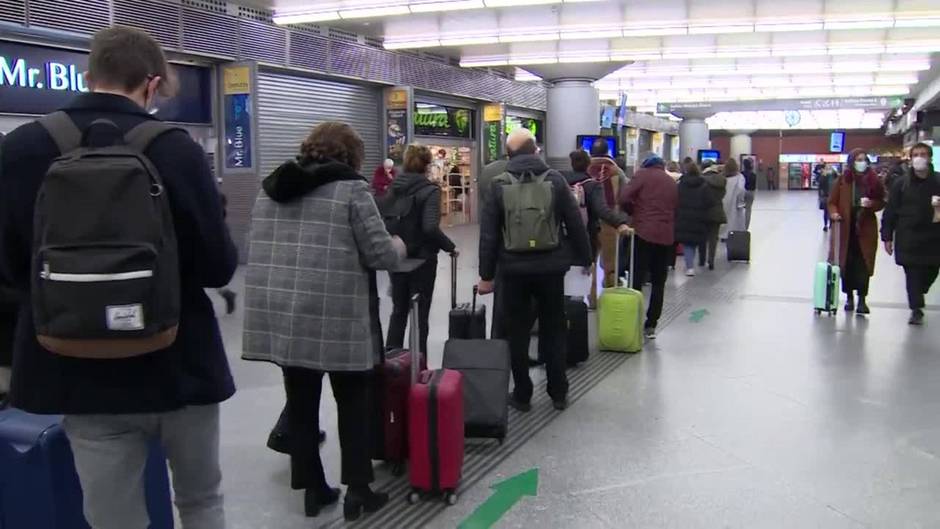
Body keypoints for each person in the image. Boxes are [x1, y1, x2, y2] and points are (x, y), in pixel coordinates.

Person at [0, 27, 237, 529]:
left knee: (111, 516)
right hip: (179, 363)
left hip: (75, 367)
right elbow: (217, 264)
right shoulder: (176, 150)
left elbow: (8, 267)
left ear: (89, 76)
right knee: (200, 500)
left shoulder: (21, 148)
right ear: (152, 85)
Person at [243, 122, 403, 521]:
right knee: (353, 403)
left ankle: (312, 490)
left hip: (285, 315)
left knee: (301, 405)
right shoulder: (351, 189)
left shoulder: (270, 189)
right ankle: (358, 490)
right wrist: (399, 244)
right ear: (351, 155)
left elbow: (257, 249)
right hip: (339, 317)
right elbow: (382, 255)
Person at [478, 128, 591, 412]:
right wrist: (585, 257)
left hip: (513, 270)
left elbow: (489, 235)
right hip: (551, 268)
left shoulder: (499, 183)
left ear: (509, 155)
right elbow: (574, 223)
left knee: (516, 333)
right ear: (535, 151)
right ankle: (558, 392)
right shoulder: (555, 179)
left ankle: (523, 394)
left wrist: (486, 276)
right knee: (554, 329)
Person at [385, 144, 457, 355]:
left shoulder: (393, 188)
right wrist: (449, 247)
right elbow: (429, 227)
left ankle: (392, 363)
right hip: (422, 260)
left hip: (397, 256)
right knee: (420, 314)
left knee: (398, 311)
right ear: (427, 165)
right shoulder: (429, 190)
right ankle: (418, 364)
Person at [881, 142, 940, 325]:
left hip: (934, 237)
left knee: (931, 271)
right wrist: (887, 236)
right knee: (912, 273)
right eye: (916, 155)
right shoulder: (901, 184)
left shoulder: (938, 181)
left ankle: (919, 291)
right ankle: (916, 309)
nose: (919, 158)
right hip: (908, 236)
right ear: (911, 159)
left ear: (930, 158)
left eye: (923, 154)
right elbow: (890, 211)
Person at [620, 154, 679, 339]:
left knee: (636, 278)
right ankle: (651, 325)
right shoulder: (671, 182)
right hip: (665, 236)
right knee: (658, 283)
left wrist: (633, 212)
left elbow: (623, 198)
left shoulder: (642, 175)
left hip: (643, 233)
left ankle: (633, 319)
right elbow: (676, 206)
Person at [828, 148, 886, 315]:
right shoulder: (842, 181)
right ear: (852, 162)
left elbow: (882, 201)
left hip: (865, 229)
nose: (862, 163)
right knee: (847, 265)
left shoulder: (874, 180)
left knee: (863, 265)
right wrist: (834, 213)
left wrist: (872, 205)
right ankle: (849, 298)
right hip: (846, 228)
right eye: (858, 159)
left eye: (864, 159)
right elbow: (832, 202)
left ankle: (862, 299)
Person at [586, 139, 630, 297]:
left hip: (589, 222)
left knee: (590, 262)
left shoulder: (586, 169)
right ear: (607, 152)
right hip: (610, 222)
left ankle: (591, 298)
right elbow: (626, 196)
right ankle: (610, 299)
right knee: (610, 264)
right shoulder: (616, 171)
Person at [674, 162, 715, 277]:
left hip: (684, 217)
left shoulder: (681, 185)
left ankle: (690, 267)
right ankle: (701, 261)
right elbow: (710, 202)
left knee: (688, 244)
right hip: (700, 217)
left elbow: (675, 199)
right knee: (699, 241)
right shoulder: (704, 185)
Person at [700, 161, 727, 270]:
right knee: (713, 238)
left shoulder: (701, 179)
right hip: (717, 211)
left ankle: (702, 259)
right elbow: (723, 195)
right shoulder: (722, 180)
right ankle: (711, 259)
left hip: (703, 211)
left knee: (702, 237)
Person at [721, 158, 748, 237]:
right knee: (735, 221)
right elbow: (741, 190)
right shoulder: (740, 177)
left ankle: (723, 235)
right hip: (735, 203)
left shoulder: (722, 177)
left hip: (723, 202)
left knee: (725, 221)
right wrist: (741, 202)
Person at [477, 156, 508, 221]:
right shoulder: (508, 166)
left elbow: (480, 186)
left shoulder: (485, 169)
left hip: (488, 202)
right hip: (505, 202)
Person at [818, 163, 837, 232]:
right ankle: (825, 225)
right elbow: (820, 185)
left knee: (831, 211)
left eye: (830, 167)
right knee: (826, 211)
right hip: (826, 196)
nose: (829, 169)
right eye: (827, 167)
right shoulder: (823, 175)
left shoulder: (834, 175)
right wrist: (820, 196)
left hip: (833, 196)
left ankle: (831, 224)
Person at [741, 158, 757, 229]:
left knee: (740, 209)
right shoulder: (753, 174)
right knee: (748, 209)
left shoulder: (741, 174)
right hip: (750, 192)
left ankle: (739, 224)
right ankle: (746, 226)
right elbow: (754, 185)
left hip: (743, 191)